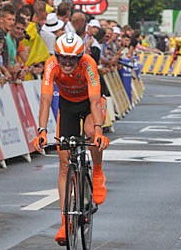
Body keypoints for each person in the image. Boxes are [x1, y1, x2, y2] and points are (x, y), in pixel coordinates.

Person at [33, 32, 109, 245]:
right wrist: (41, 130)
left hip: (89, 103)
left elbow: (95, 101)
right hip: (67, 105)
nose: (66, 62)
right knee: (64, 163)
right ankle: (66, 223)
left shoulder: (88, 64)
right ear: (56, 55)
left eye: (72, 58)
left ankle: (98, 172)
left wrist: (100, 131)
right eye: (62, 57)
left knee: (92, 134)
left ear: (80, 57)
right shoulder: (51, 65)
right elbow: (46, 100)